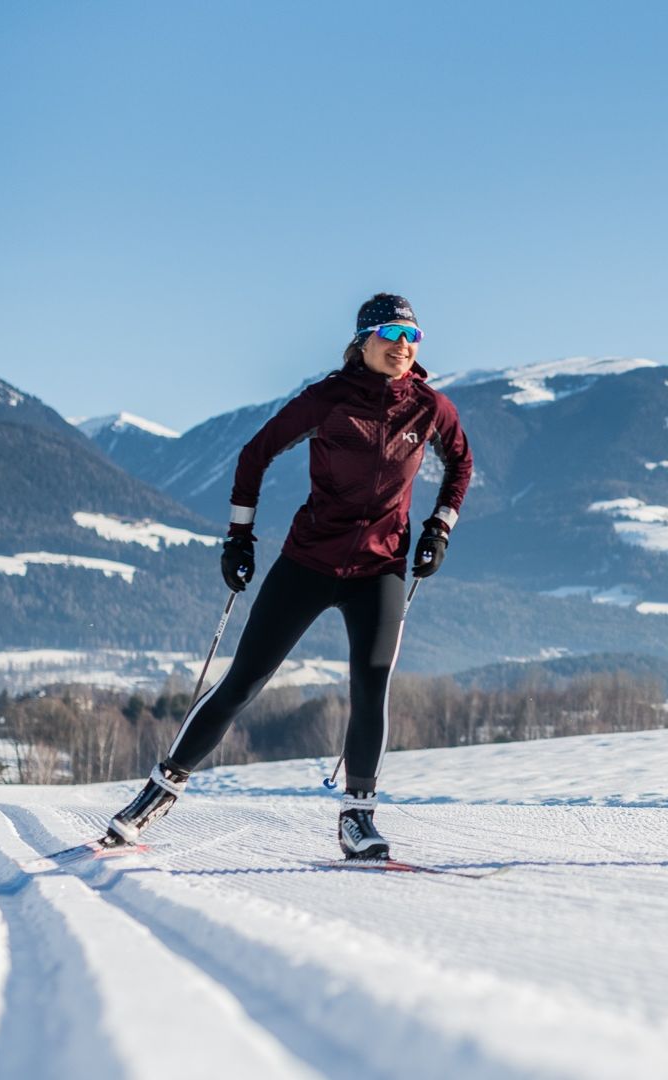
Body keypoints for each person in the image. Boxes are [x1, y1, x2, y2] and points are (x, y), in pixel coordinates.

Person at [105, 293, 473, 859]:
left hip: (380, 567)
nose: (403, 347)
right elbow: (255, 454)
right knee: (243, 683)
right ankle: (157, 793)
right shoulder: (326, 399)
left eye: (412, 337)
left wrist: (439, 529)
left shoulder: (429, 407)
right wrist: (239, 536)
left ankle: (357, 818)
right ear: (364, 341)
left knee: (372, 687)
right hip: (309, 562)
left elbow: (460, 464)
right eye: (391, 335)